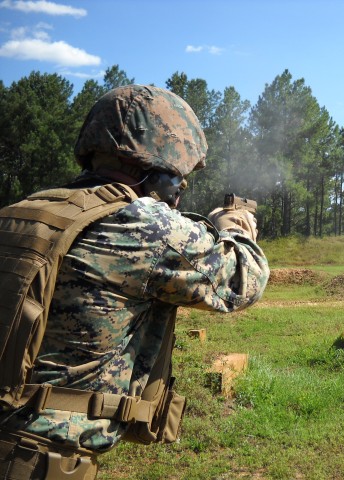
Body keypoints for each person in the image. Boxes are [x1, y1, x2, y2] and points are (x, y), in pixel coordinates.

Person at [0, 85, 269, 479]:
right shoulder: (143, 225)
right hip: (34, 460)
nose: (179, 191)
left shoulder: (24, 211)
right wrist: (234, 230)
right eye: (179, 178)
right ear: (160, 165)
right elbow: (244, 281)